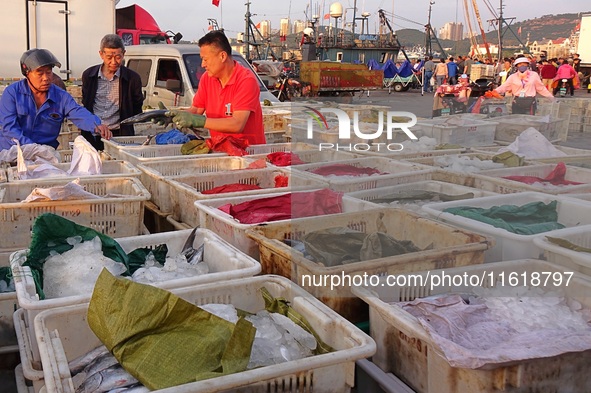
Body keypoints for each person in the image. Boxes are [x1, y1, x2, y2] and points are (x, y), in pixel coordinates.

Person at [164, 30, 265, 145]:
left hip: (248, 153)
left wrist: (200, 121)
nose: (202, 64)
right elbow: (196, 110)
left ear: (222, 56)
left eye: (205, 59)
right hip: (220, 150)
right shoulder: (207, 78)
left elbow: (237, 124)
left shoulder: (246, 80)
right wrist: (173, 116)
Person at [0, 48, 111, 151]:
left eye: (49, 72)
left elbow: (77, 112)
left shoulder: (61, 96)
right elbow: (10, 129)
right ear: (27, 73)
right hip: (13, 152)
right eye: (40, 73)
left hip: (45, 155)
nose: (46, 78)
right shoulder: (12, 93)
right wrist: (32, 148)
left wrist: (96, 125)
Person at [81, 34, 143, 150]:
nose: (114, 62)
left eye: (118, 57)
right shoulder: (89, 75)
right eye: (109, 57)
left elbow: (137, 107)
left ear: (123, 53)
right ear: (101, 54)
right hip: (93, 132)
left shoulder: (133, 79)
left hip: (120, 135)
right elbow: (86, 103)